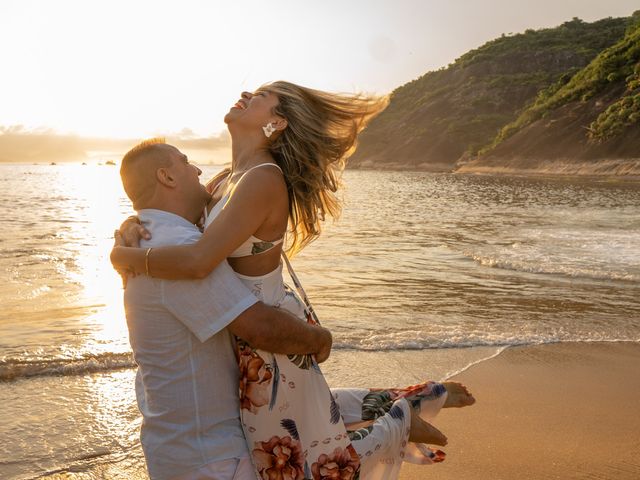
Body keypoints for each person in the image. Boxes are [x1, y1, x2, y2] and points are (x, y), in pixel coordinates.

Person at [112, 81, 475, 479]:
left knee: (310, 466)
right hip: (242, 340)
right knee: (305, 439)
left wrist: (124, 256)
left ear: (278, 121)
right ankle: (414, 405)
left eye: (264, 95)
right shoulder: (222, 181)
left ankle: (402, 419)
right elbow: (181, 222)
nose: (249, 91)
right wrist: (133, 222)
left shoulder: (264, 177)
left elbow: (198, 259)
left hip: (268, 333)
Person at [115, 140, 334, 480]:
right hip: (211, 460)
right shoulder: (177, 247)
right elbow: (259, 327)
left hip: (183, 450)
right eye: (185, 162)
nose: (198, 170)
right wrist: (319, 339)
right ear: (166, 177)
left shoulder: (152, 236)